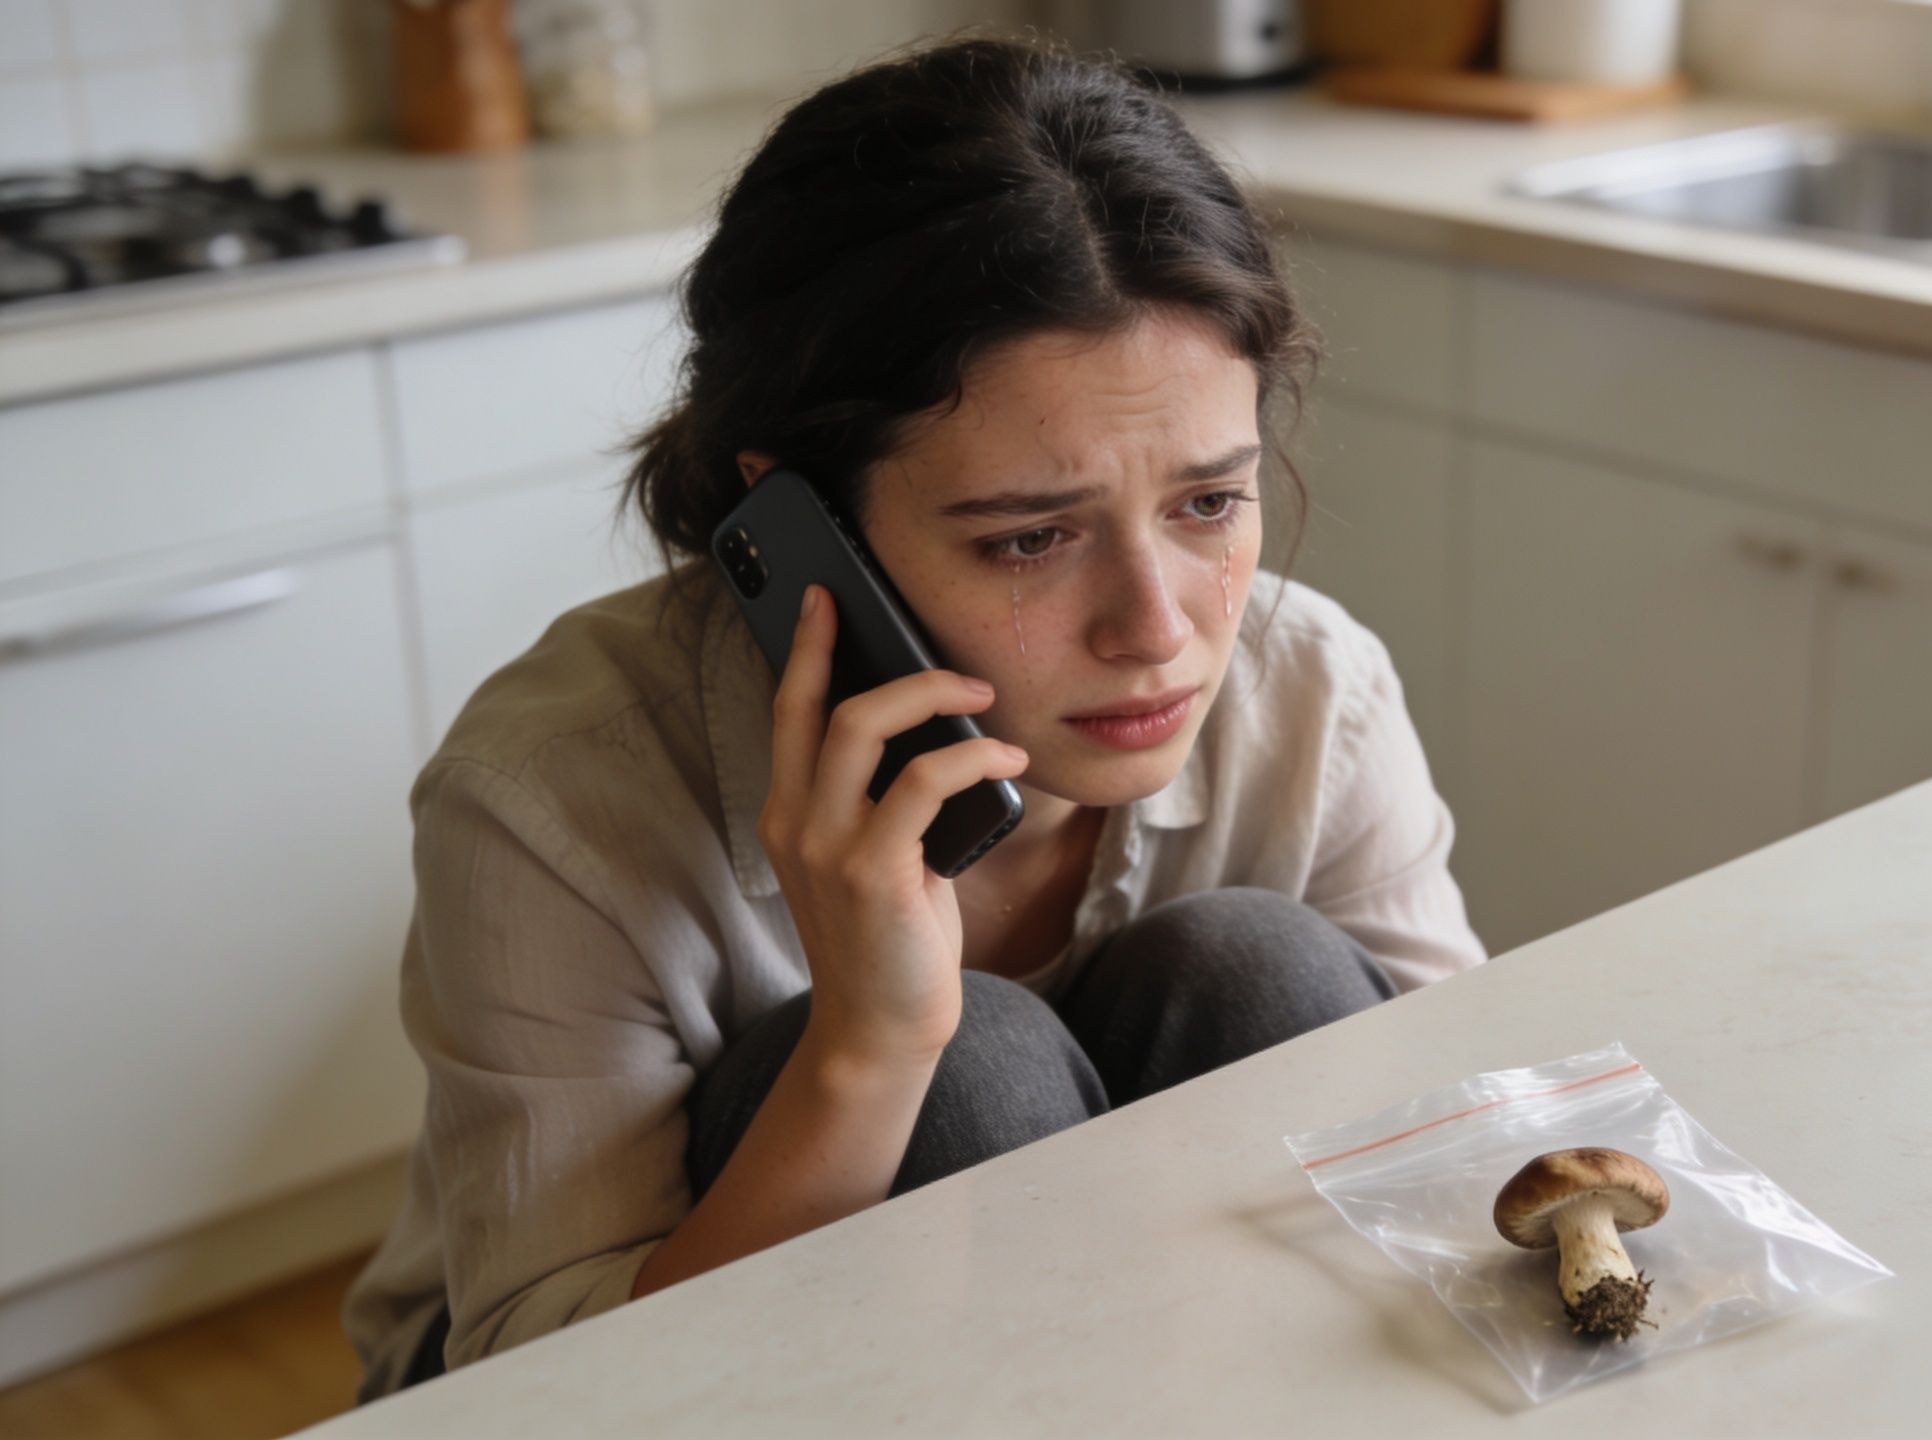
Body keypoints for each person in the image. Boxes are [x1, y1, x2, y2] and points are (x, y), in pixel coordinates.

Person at [338, 32, 1487, 1403]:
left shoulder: (1309, 695)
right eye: (1027, 541)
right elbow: (550, 1394)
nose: (1160, 629)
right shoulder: (551, 799)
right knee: (968, 1068)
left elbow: (1479, 1167)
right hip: (600, 1389)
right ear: (797, 525)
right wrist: (871, 1047)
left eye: (1208, 503)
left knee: (1261, 970)